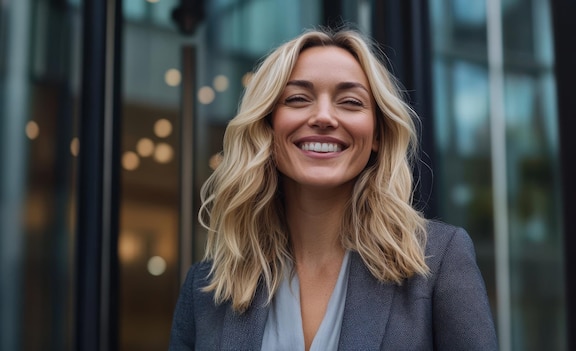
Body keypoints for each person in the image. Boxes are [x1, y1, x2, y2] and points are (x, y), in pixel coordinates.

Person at [169, 27, 498, 351]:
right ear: (267, 127)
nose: (323, 117)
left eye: (351, 102)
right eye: (298, 99)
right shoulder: (205, 288)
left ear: (378, 135)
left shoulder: (439, 260)